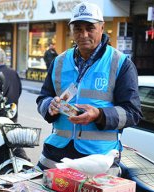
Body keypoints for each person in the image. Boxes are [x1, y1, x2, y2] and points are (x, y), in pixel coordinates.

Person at [36, 2, 142, 170]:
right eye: (77, 28)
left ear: (102, 28)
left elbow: (133, 112)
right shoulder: (59, 61)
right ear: (71, 30)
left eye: (90, 28)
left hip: (98, 160)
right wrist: (49, 106)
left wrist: (99, 115)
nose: (83, 34)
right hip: (55, 155)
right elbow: (43, 98)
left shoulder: (121, 63)